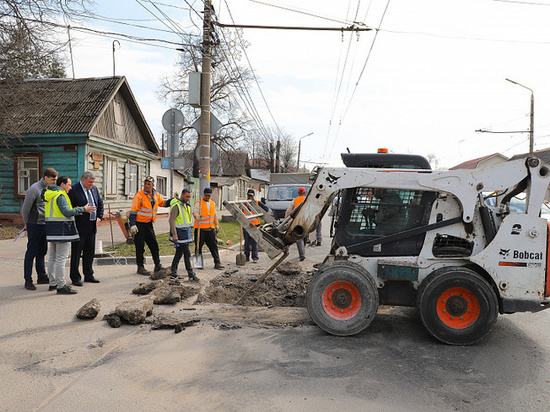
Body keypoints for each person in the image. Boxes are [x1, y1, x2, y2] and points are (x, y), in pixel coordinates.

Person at [42, 175, 95, 294]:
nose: (70, 188)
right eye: (69, 184)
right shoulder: (61, 196)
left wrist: (74, 209)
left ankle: (53, 283)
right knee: (61, 258)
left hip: (52, 229)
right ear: (62, 185)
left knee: (53, 257)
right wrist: (82, 209)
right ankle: (61, 285)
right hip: (62, 230)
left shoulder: (50, 194)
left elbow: (59, 211)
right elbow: (66, 212)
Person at [20, 168, 58, 291]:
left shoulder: (49, 188)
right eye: (52, 180)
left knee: (42, 252)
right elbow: (25, 209)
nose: (54, 182)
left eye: (55, 180)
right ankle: (28, 280)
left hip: (45, 224)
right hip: (34, 224)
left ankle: (41, 276)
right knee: (31, 252)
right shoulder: (34, 189)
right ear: (45, 177)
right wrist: (27, 223)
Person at [69, 171, 104, 286]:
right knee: (77, 252)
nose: (91, 184)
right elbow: (70, 207)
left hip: (92, 225)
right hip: (79, 226)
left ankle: (88, 274)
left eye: (93, 182)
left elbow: (100, 203)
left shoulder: (94, 189)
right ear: (83, 180)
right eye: (89, 182)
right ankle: (75, 277)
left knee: (90, 251)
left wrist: (99, 217)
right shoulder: (74, 190)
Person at [128, 176, 167, 276]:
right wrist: (132, 224)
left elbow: (163, 203)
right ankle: (140, 267)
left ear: (153, 185)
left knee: (154, 245)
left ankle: (157, 265)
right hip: (139, 225)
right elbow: (133, 211)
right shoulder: (139, 195)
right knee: (140, 246)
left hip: (149, 224)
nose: (146, 186)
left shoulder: (156, 195)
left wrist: (174, 200)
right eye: (145, 184)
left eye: (149, 184)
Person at [169, 189, 199, 281]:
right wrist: (174, 235)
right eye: (186, 196)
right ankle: (191, 274)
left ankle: (173, 273)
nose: (188, 199)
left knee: (178, 254)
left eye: (189, 197)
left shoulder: (187, 206)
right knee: (187, 253)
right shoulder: (176, 206)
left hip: (186, 234)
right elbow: (171, 221)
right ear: (181, 195)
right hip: (179, 235)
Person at [193, 187, 224, 270]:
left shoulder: (212, 203)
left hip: (210, 229)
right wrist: (197, 216)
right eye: (206, 195)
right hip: (200, 230)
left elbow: (214, 215)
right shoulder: (198, 203)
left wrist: (216, 224)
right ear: (204, 194)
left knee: (214, 246)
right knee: (198, 247)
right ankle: (198, 264)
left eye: (209, 195)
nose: (208, 197)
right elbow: (194, 213)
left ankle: (217, 262)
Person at [242, 189, 268, 263]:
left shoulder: (257, 203)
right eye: (248, 195)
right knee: (246, 242)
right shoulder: (243, 203)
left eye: (251, 195)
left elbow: (266, 209)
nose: (250, 197)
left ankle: (255, 257)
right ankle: (246, 257)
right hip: (246, 225)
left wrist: (260, 214)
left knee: (254, 241)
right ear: (247, 195)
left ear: (254, 196)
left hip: (255, 225)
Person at [286, 186, 307, 261]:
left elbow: (289, 211)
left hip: (297, 221)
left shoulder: (295, 200)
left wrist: (286, 219)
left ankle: (302, 254)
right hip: (306, 220)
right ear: (304, 193)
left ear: (298, 193)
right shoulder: (307, 200)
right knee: (304, 235)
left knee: (299, 237)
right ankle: (303, 249)